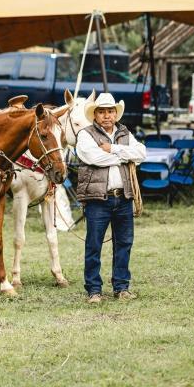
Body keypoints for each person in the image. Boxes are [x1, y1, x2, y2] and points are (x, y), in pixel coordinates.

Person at [76, 92, 146, 303]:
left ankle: (121, 287)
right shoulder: (85, 134)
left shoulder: (124, 132)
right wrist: (124, 156)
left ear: (116, 114)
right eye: (102, 112)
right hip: (98, 198)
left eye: (110, 111)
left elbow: (141, 153)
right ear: (95, 115)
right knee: (94, 245)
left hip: (123, 197)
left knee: (124, 243)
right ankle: (94, 290)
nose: (107, 115)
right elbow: (92, 157)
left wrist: (113, 149)